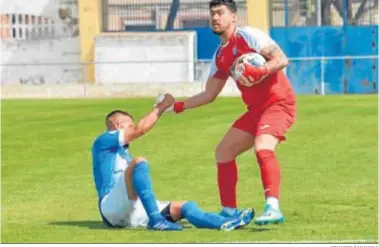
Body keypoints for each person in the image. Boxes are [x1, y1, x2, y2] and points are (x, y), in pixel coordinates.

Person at [163, 0, 296, 225]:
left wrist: (261, 70)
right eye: (212, 14)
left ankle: (273, 208)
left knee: (263, 147)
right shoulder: (219, 56)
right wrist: (177, 106)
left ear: (233, 17)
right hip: (255, 111)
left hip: (278, 104)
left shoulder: (249, 36)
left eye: (220, 13)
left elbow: (281, 59)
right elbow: (209, 94)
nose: (215, 18)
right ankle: (229, 211)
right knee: (223, 152)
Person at [91, 94, 255, 231]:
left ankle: (224, 222)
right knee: (138, 162)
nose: (131, 128)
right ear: (117, 124)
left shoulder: (120, 152)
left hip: (131, 211)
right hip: (110, 206)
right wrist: (162, 106)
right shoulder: (104, 140)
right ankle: (156, 220)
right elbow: (140, 129)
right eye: (129, 125)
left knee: (185, 206)